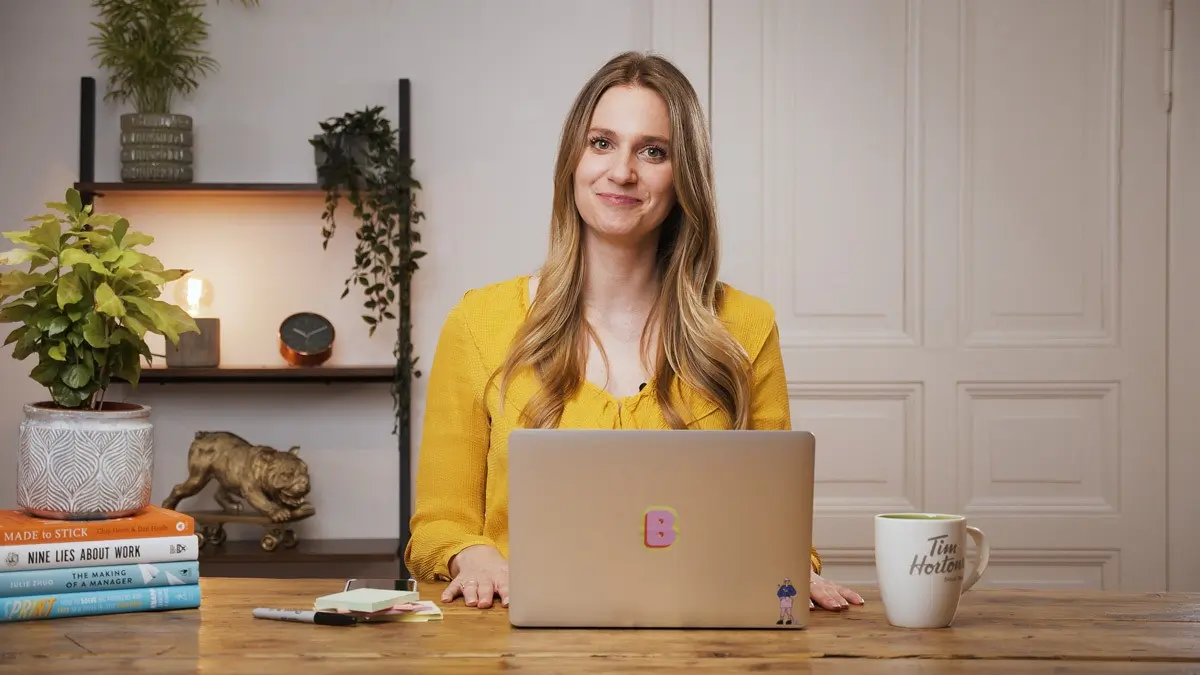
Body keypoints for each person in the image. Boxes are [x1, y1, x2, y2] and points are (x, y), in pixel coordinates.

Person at [404, 50, 864, 613]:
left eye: (653, 151)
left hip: (701, 639)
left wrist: (789, 564)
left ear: (684, 176)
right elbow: (440, 521)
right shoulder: (479, 323)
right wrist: (473, 556)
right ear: (573, 158)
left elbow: (774, 517)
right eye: (602, 143)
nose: (621, 171)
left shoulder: (747, 327)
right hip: (516, 640)